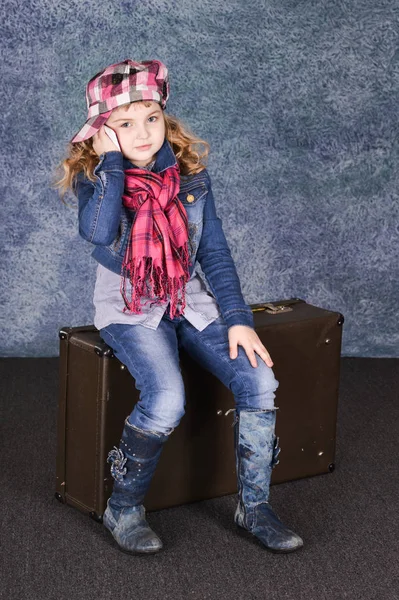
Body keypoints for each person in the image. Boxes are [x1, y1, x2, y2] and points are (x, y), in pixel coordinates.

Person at [56, 59, 303, 555]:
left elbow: (214, 253)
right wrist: (109, 164)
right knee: (167, 398)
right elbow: (99, 233)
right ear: (103, 132)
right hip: (130, 307)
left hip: (188, 300)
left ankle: (253, 507)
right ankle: (123, 508)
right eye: (124, 123)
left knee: (259, 379)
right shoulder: (97, 181)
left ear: (165, 116)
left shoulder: (190, 178)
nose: (143, 132)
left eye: (151, 116)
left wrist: (238, 320)